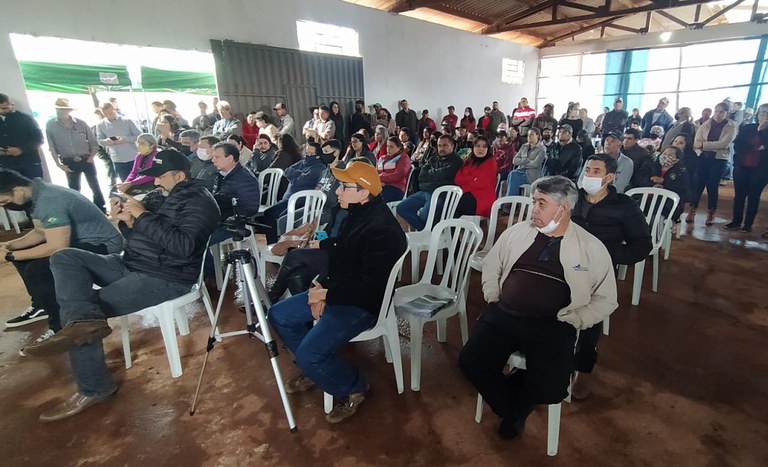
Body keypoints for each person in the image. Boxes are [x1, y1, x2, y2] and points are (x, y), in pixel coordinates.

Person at [23, 150, 219, 421]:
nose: (156, 183)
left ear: (179, 176)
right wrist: (128, 223)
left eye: (160, 177)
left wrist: (142, 216)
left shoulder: (201, 202)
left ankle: (94, 387)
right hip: (132, 263)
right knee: (65, 257)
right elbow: (144, 238)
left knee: (83, 315)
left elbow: (183, 247)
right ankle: (80, 322)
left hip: (166, 277)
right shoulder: (162, 197)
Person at [459, 175, 618, 440]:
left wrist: (577, 319)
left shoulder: (591, 247)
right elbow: (492, 264)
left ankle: (514, 406)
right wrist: (492, 294)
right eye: (534, 201)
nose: (533, 209)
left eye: (541, 203)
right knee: (470, 362)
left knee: (553, 389)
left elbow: (606, 298)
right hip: (504, 313)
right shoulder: (518, 232)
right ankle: (516, 410)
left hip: (552, 323)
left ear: (563, 208)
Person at [268, 160, 407, 424]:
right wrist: (321, 284)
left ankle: (354, 385)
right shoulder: (358, 212)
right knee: (279, 314)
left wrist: (327, 295)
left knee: (309, 355)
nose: (338, 192)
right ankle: (316, 368)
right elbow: (343, 251)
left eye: (344, 187)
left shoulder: (381, 230)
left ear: (364, 192)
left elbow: (369, 288)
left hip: (362, 304)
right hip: (341, 290)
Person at [0, 169, 123, 348]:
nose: (6, 206)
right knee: (22, 258)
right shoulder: (37, 195)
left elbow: (58, 246)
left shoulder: (50, 200)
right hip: (80, 240)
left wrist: (11, 254)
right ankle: (41, 304)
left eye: (5, 201)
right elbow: (41, 232)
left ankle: (60, 326)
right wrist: (10, 246)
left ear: (17, 190)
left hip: (103, 245)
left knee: (40, 269)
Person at [569, 154, 652, 399]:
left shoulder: (624, 206)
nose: (589, 175)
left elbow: (641, 245)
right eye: (587, 169)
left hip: (598, 271)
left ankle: (583, 367)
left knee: (590, 314)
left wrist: (607, 255)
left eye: (596, 171)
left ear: (609, 177)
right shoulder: (574, 199)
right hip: (566, 262)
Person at [205, 142, 261, 278]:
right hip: (218, 218)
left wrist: (223, 217)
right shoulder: (220, 174)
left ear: (230, 158)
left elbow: (250, 207)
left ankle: (214, 275)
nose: (213, 160)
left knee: (197, 239)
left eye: (217, 157)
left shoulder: (244, 178)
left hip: (232, 223)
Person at [45, 98, 104, 211]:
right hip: (68, 160)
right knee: (74, 188)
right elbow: (51, 147)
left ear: (69, 110)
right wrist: (58, 164)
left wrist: (91, 157)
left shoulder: (81, 123)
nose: (62, 112)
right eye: (59, 109)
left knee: (94, 186)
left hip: (86, 158)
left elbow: (93, 142)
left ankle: (101, 209)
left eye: (64, 109)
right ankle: (78, 210)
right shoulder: (51, 125)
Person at [262, 142, 325, 243]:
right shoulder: (303, 162)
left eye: (310, 153)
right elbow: (287, 171)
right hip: (289, 199)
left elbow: (299, 182)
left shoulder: (319, 168)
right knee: (271, 214)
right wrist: (298, 173)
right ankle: (276, 243)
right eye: (306, 152)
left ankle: (279, 244)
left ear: (318, 155)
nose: (307, 155)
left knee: (275, 216)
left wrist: (294, 176)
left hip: (301, 202)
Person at [396, 134, 462, 231]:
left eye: (445, 145)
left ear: (452, 146)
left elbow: (444, 174)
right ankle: (425, 231)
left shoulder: (456, 161)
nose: (441, 148)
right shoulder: (433, 159)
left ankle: (425, 232)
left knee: (424, 215)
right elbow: (421, 176)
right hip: (424, 192)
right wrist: (435, 176)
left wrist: (430, 175)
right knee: (402, 208)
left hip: (441, 194)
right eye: (439, 145)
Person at [689, 102, 738, 226]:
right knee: (698, 185)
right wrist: (705, 146)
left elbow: (724, 144)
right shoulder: (706, 124)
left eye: (721, 112)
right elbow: (696, 142)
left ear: (727, 113)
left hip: (719, 160)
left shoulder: (731, 126)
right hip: (703, 158)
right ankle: (692, 209)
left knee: (712, 185)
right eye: (716, 111)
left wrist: (704, 145)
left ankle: (711, 211)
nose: (718, 114)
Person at [724, 103, 768, 233]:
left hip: (761, 169)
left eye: (767, 113)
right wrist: (756, 148)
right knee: (739, 196)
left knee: (754, 196)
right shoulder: (747, 128)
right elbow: (737, 145)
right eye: (762, 112)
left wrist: (761, 131)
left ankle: (748, 224)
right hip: (742, 166)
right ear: (757, 114)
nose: (764, 116)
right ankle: (736, 221)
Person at [96, 102, 141, 182]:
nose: (109, 115)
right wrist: (106, 141)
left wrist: (125, 139)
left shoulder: (127, 121)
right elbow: (99, 140)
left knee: (138, 180)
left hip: (133, 157)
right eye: (106, 114)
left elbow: (139, 136)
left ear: (114, 109)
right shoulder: (100, 125)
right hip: (117, 159)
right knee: (124, 182)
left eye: (111, 112)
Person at [453, 136, 497, 218]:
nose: (481, 149)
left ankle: (449, 229)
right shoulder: (470, 161)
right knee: (449, 201)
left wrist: (465, 183)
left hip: (482, 198)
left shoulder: (490, 162)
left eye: (484, 146)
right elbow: (457, 179)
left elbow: (480, 183)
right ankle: (448, 229)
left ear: (488, 149)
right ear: (473, 147)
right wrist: (472, 178)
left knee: (455, 203)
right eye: (477, 146)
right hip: (468, 193)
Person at [650, 146, 690, 224]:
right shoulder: (652, 167)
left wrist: (665, 182)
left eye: (670, 155)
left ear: (677, 159)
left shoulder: (681, 172)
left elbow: (682, 188)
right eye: (664, 153)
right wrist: (651, 180)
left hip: (668, 204)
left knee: (656, 219)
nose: (666, 156)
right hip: (650, 200)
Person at [505, 128, 546, 197]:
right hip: (520, 171)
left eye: (532, 135)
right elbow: (514, 161)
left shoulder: (542, 148)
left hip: (531, 174)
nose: (529, 137)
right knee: (511, 174)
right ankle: (512, 199)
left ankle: (511, 201)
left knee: (513, 175)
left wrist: (521, 162)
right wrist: (527, 160)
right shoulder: (524, 146)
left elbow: (535, 164)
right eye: (528, 135)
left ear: (537, 136)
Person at [376, 136, 412, 203]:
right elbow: (375, 172)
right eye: (387, 146)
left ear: (399, 147)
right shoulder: (383, 158)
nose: (388, 149)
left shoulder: (403, 158)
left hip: (396, 188)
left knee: (374, 199)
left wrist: (380, 178)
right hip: (380, 186)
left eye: (391, 147)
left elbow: (398, 175)